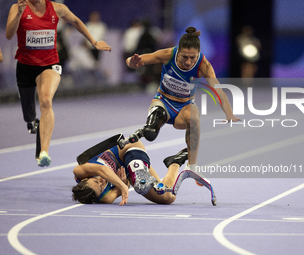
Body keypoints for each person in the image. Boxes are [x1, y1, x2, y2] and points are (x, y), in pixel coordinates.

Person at [6, 0, 111, 167]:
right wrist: (18, 13)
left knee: (46, 101)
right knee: (28, 115)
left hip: (49, 65)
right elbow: (9, 35)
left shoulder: (58, 9)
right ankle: (32, 121)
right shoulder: (19, 7)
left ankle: (44, 152)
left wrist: (94, 42)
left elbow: (76, 21)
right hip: (25, 66)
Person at [126, 26, 242, 173]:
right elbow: (133, 60)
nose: (188, 61)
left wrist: (229, 114)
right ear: (178, 51)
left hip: (184, 107)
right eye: (184, 57)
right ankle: (148, 127)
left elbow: (219, 92)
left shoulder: (204, 65)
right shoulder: (168, 54)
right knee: (150, 135)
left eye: (192, 57)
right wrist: (132, 62)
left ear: (198, 53)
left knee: (194, 118)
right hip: (163, 102)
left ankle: (192, 166)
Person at [72, 140, 188, 205]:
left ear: (85, 179)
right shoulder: (106, 198)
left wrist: (121, 185)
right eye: (101, 186)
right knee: (167, 197)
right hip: (129, 172)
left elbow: (101, 170)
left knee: (139, 179)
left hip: (127, 148)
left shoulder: (79, 171)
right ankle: (175, 162)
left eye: (96, 181)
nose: (102, 181)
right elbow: (126, 185)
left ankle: (140, 172)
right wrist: (123, 182)